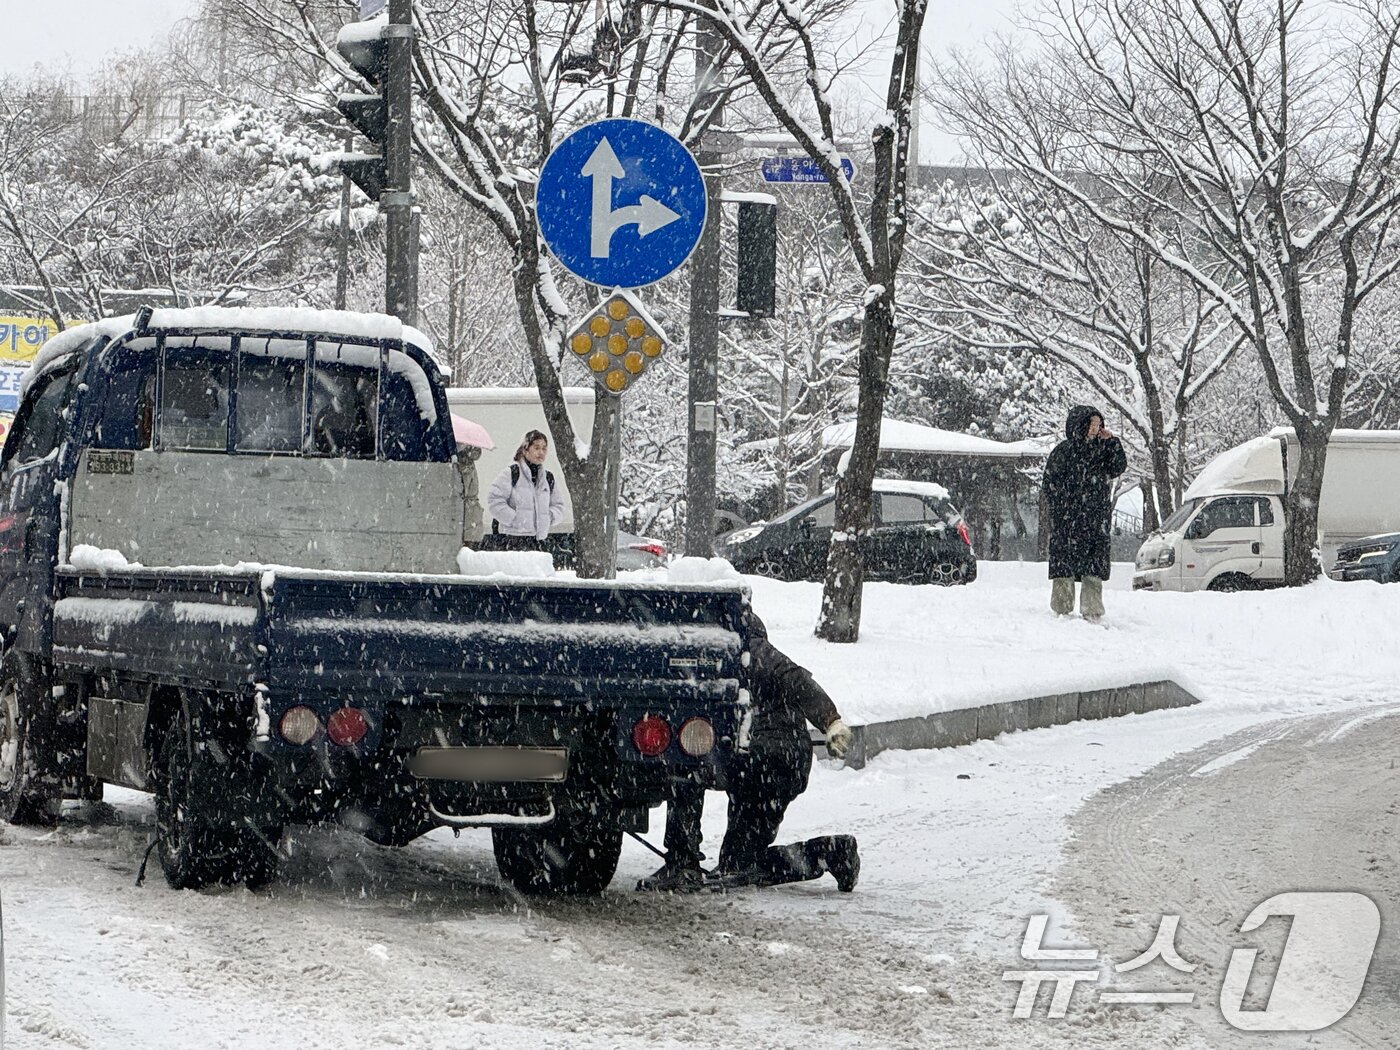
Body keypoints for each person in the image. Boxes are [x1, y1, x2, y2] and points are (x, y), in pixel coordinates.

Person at [639, 613, 860, 893]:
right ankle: (833, 852)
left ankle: (682, 862)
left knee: (685, 767)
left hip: (761, 760)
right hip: (780, 764)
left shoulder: (747, 649)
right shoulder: (743, 651)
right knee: (738, 864)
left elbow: (796, 679)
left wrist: (831, 720)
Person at [1041, 405, 1127, 621]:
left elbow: (1118, 467)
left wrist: (1113, 442)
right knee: (1064, 566)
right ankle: (1062, 608)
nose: (1096, 428)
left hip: (1095, 519)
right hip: (1067, 521)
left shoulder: (1103, 449)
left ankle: (1092, 609)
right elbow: (1050, 484)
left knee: (1093, 567)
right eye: (1092, 424)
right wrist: (1062, 507)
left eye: (1099, 424)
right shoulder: (1063, 451)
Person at [485, 429, 564, 551]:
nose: (541, 452)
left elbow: (558, 505)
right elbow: (494, 499)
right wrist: (513, 518)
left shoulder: (548, 478)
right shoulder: (512, 473)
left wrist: (549, 517)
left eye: (544, 448)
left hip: (539, 541)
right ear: (525, 449)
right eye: (536, 448)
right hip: (513, 539)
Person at [455, 443, 484, 545]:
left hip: (470, 514)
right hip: (468, 514)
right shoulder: (465, 465)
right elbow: (464, 490)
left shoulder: (468, 465)